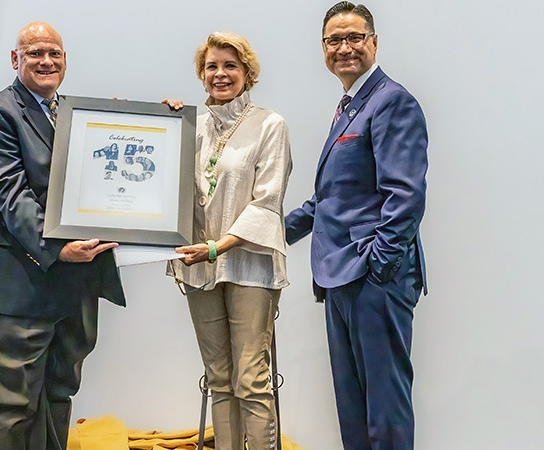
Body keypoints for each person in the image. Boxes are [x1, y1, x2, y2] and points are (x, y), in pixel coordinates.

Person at [0, 21, 125, 450]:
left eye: (54, 53)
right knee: (16, 408)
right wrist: (58, 246)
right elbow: (8, 193)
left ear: (66, 61)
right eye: (34, 52)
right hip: (17, 287)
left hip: (74, 286)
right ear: (16, 60)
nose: (46, 60)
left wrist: (153, 125)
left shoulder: (77, 115)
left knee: (58, 395)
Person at [284, 3, 428, 449]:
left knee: (384, 413)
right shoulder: (348, 106)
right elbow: (329, 201)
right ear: (323, 49)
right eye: (334, 40)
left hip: (373, 279)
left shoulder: (391, 101)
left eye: (354, 37)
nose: (344, 48)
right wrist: (258, 233)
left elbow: (405, 197)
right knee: (353, 412)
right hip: (338, 277)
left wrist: (379, 265)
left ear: (374, 42)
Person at [166, 32, 293, 450]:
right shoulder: (191, 125)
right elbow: (165, 186)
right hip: (198, 265)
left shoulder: (269, 125)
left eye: (230, 66)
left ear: (247, 73)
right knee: (218, 376)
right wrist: (159, 126)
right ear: (202, 76)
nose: (220, 74)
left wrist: (219, 246)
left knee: (251, 378)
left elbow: (268, 201)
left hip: (248, 263)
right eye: (212, 66)